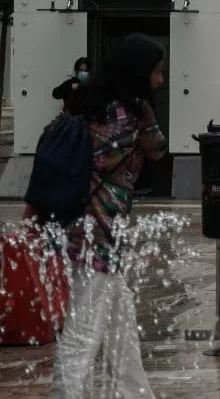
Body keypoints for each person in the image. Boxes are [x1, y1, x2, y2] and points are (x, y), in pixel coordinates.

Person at [50, 35, 168, 398]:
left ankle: (134, 393)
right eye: (157, 72)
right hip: (94, 236)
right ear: (138, 73)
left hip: (92, 233)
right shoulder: (121, 118)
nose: (160, 80)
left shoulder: (100, 108)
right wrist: (146, 116)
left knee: (121, 325)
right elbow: (158, 150)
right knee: (83, 334)